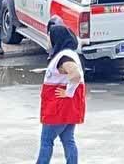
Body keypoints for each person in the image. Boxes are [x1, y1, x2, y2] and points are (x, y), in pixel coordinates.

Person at [36, 21, 85, 164]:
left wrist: (68, 92)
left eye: (49, 37)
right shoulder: (68, 54)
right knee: (68, 140)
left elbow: (75, 75)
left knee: (46, 141)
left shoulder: (64, 57)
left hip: (58, 108)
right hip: (67, 107)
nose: (48, 39)